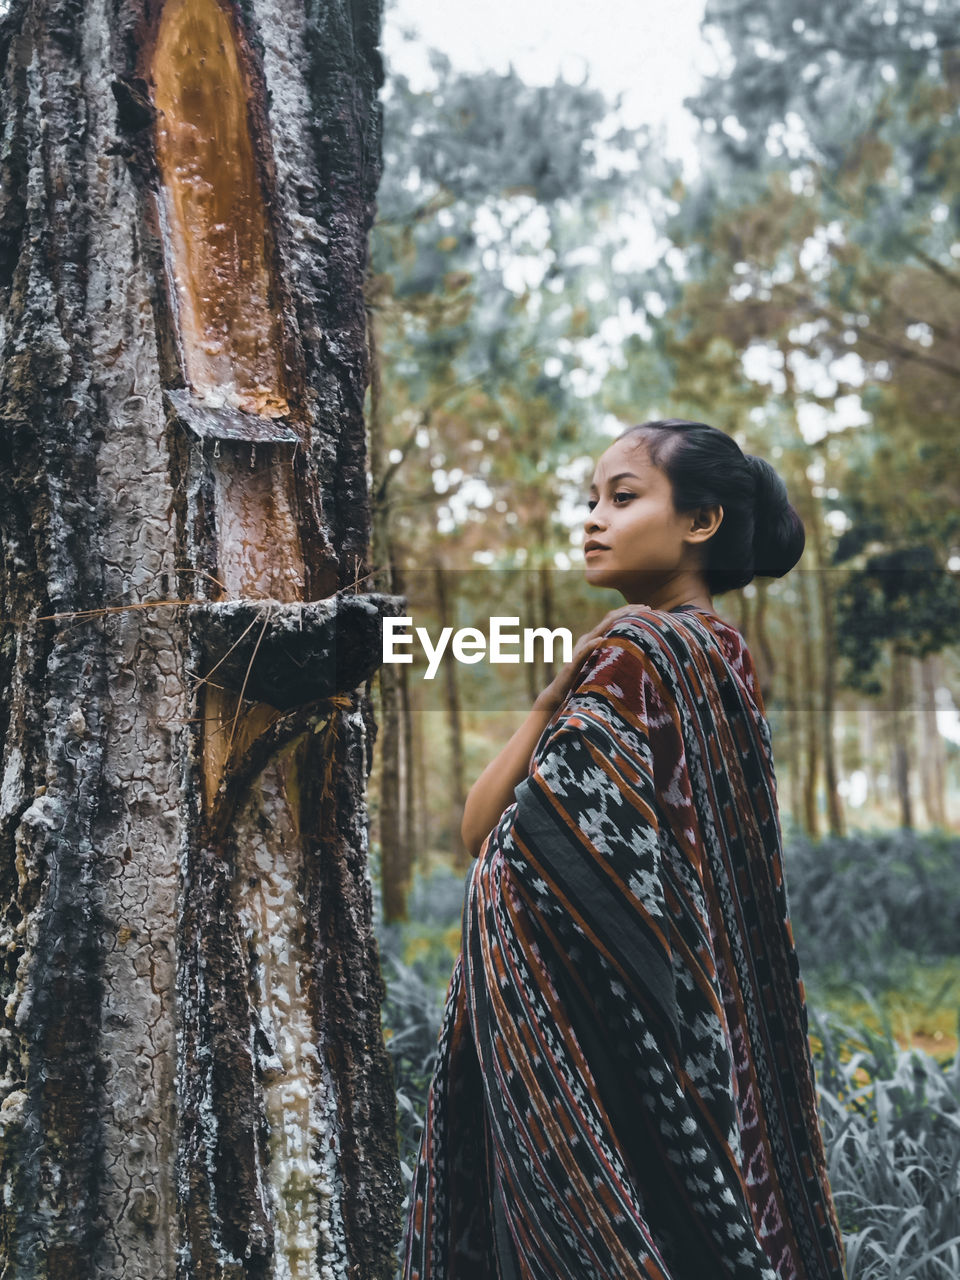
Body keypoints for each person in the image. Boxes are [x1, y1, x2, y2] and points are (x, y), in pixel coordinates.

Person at [401, 419, 847, 1280]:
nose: (593, 519)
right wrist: (549, 697)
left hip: (606, 1015)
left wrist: (550, 702)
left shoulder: (636, 654)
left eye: (623, 496)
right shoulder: (721, 655)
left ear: (701, 521)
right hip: (692, 1012)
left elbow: (501, 840)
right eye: (590, 500)